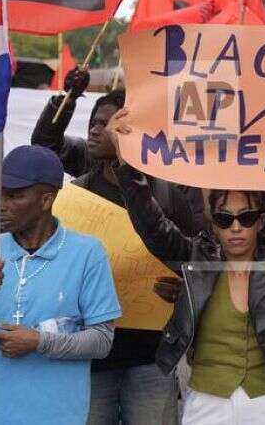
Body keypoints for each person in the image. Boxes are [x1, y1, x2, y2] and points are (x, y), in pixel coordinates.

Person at [109, 110, 265, 424]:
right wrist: (126, 164)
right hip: (207, 403)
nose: (235, 227)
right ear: (214, 224)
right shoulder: (195, 259)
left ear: (261, 221)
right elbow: (151, 224)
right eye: (225, 219)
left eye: (246, 217)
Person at [32, 73, 201, 424]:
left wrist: (180, 288)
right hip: (90, 356)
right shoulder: (76, 193)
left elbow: (195, 265)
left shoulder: (170, 194)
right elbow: (44, 144)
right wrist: (70, 94)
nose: (96, 130)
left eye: (107, 123)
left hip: (150, 355)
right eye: (93, 123)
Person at [0, 145, 122, 424]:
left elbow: (102, 341)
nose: (1, 204)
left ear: (46, 200)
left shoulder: (87, 253)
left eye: (14, 195)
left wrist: (39, 343)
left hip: (60, 416)